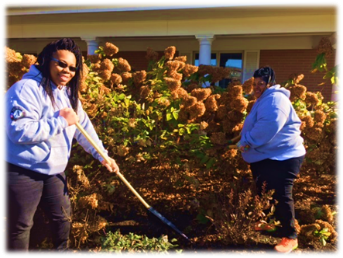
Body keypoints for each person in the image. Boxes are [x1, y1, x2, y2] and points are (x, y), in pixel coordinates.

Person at [1, 38, 119, 256]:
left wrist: (103, 156)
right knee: (21, 226)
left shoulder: (66, 94)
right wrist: (60, 122)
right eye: (62, 64)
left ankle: (63, 253)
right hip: (21, 170)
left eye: (73, 68)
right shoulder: (25, 90)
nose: (68, 70)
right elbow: (19, 132)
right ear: (46, 61)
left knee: (61, 217)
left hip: (53, 171)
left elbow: (83, 127)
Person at [236, 66, 306, 255]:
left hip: (285, 155)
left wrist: (247, 143)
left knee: (282, 194)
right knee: (263, 187)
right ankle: (266, 223)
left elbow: (268, 126)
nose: (257, 87)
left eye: (261, 84)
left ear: (270, 84)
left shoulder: (275, 99)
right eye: (255, 83)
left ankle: (290, 237)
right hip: (268, 154)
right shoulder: (264, 99)